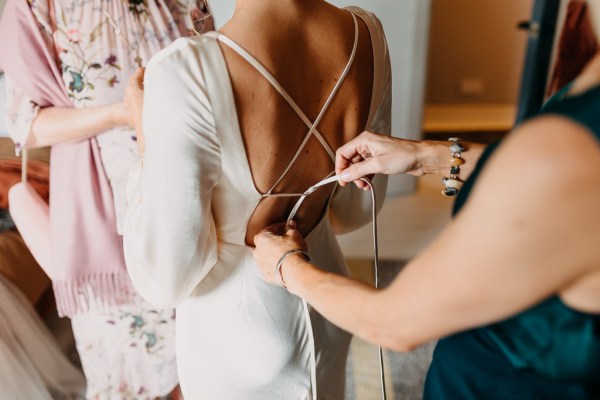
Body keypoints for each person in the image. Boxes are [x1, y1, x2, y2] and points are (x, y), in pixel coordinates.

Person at [253, 53, 600, 398]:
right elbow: (540, 182)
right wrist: (427, 157)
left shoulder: (575, 151)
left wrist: (288, 267)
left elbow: (394, 324)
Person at [122, 0, 391, 397]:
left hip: (236, 333)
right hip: (324, 294)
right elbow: (357, 209)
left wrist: (146, 136)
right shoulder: (366, 34)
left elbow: (166, 277)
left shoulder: (186, 70)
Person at [0, 0, 212, 398]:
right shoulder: (34, 7)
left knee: (199, 356)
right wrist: (122, 114)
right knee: (126, 369)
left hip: (187, 196)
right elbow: (27, 126)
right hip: (103, 221)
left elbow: (211, 81)